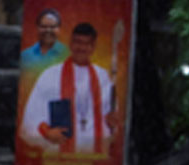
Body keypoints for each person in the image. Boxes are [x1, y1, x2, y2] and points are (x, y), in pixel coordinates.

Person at [19, 22, 118, 154]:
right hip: (59, 161)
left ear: (93, 47)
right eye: (77, 42)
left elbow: (111, 118)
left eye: (86, 43)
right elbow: (30, 119)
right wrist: (46, 132)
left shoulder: (103, 77)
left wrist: (112, 122)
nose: (81, 48)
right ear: (70, 44)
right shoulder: (50, 75)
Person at [20, 9, 68, 74]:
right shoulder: (25, 56)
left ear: (59, 29)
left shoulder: (67, 55)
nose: (48, 30)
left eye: (52, 27)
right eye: (44, 26)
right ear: (37, 28)